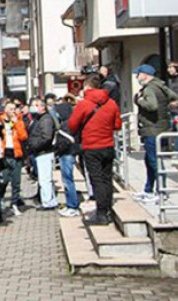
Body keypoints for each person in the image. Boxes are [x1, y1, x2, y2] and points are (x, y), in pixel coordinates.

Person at [69, 73, 122, 225]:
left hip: (91, 146)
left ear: (87, 86)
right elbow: (117, 125)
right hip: (108, 145)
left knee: (96, 179)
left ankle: (101, 213)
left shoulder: (84, 104)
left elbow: (72, 125)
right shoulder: (111, 103)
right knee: (107, 178)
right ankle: (108, 209)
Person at [132, 64, 178, 204]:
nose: (137, 77)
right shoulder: (160, 85)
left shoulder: (150, 89)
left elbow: (152, 106)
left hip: (152, 129)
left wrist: (139, 100)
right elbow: (174, 96)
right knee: (149, 160)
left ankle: (160, 191)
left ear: (145, 74)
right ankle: (148, 189)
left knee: (154, 161)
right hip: (161, 127)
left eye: (138, 74)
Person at [27, 97, 58, 210]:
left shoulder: (45, 119)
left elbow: (46, 137)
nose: (34, 107)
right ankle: (50, 200)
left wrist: (35, 145)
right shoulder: (40, 118)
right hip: (41, 152)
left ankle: (48, 203)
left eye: (36, 105)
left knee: (45, 179)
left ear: (42, 107)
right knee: (45, 179)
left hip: (44, 152)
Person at [52, 94, 81, 217]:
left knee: (68, 180)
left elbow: (64, 142)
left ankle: (72, 205)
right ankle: (71, 204)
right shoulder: (71, 122)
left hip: (67, 153)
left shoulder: (66, 125)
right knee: (67, 179)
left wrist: (58, 149)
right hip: (70, 152)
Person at [0, 102, 28, 215]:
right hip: (4, 154)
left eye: (14, 109)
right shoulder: (1, 120)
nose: (12, 111)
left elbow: (23, 136)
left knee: (16, 181)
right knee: (3, 180)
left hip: (16, 153)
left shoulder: (19, 121)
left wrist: (17, 123)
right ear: (5, 109)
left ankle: (14, 203)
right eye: (10, 109)